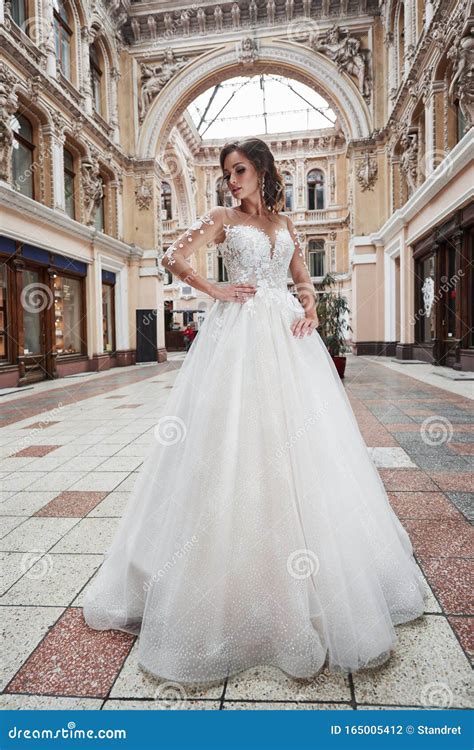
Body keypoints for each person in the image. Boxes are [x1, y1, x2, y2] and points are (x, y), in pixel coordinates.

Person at [83, 137, 428, 686]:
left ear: (262, 170)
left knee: (304, 441)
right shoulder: (221, 216)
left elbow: (301, 277)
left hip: (288, 339)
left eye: (239, 170)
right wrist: (214, 288)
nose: (231, 180)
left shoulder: (286, 225)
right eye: (226, 173)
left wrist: (311, 306)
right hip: (237, 336)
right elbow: (172, 256)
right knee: (232, 438)